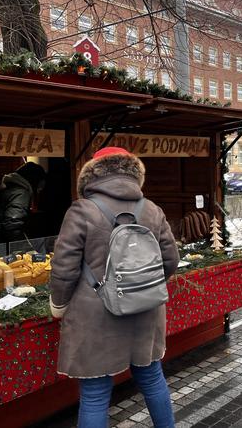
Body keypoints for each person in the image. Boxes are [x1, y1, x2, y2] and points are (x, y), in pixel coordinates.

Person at [50, 147, 179, 428]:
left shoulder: (82, 210)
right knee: (152, 379)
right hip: (146, 312)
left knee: (95, 395)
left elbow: (64, 267)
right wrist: (142, 288)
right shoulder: (152, 210)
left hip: (95, 316)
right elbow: (171, 260)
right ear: (133, 175)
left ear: (93, 175)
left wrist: (58, 304)